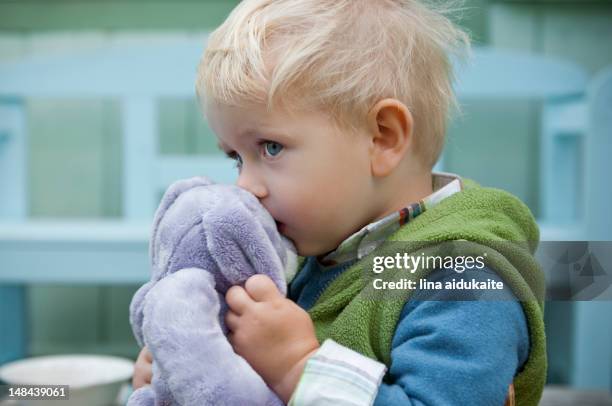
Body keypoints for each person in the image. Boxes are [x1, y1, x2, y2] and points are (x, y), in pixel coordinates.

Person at [132, 0, 546, 404]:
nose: (245, 185)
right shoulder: (325, 244)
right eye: (236, 157)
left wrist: (297, 367)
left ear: (382, 137)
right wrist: (195, 363)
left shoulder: (463, 281)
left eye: (271, 147)